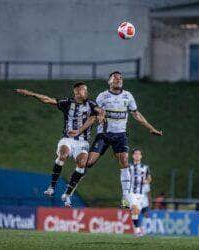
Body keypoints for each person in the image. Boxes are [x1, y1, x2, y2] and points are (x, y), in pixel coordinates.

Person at [68, 71, 163, 207]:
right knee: (88, 162)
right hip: (104, 135)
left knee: (124, 160)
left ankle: (125, 198)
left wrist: (151, 128)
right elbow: (95, 113)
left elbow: (136, 114)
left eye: (120, 78)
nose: (119, 80)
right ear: (109, 81)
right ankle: (72, 185)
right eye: (115, 78)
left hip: (120, 135)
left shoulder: (127, 96)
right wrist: (92, 121)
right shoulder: (102, 96)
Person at [15, 82, 104, 206]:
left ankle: (67, 194)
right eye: (84, 90)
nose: (86, 93)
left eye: (86, 90)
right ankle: (52, 187)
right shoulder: (67, 103)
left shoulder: (91, 104)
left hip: (82, 142)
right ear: (77, 92)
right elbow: (47, 100)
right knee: (63, 155)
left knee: (82, 164)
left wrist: (101, 114)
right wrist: (31, 94)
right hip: (67, 138)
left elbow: (99, 110)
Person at [127, 148, 152, 237]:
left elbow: (149, 178)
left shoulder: (145, 167)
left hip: (141, 194)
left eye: (139, 154)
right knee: (135, 209)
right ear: (133, 155)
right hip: (131, 192)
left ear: (141, 156)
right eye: (135, 154)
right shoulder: (129, 167)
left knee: (138, 212)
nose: (137, 155)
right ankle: (137, 230)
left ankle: (139, 230)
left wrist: (146, 181)